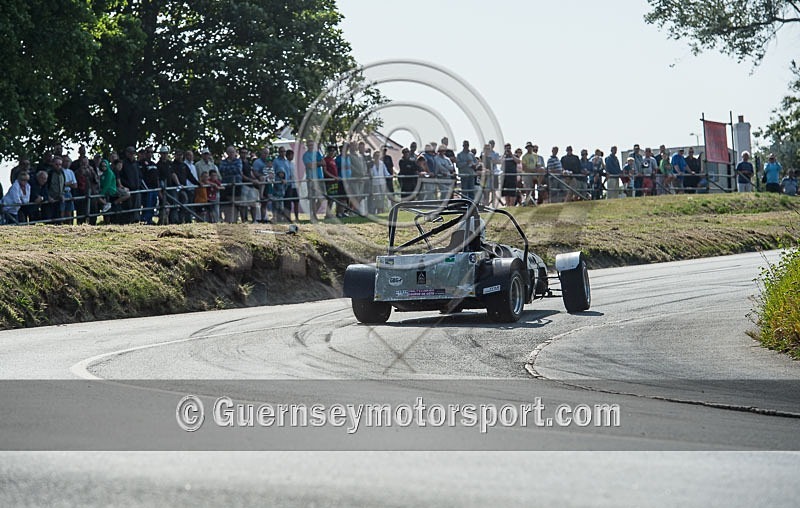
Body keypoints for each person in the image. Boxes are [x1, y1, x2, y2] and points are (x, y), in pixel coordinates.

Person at [218, 146, 243, 222]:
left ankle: (235, 219)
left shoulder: (238, 161)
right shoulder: (223, 162)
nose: (231, 154)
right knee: (226, 203)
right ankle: (227, 219)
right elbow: (221, 169)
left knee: (236, 203)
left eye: (233, 152)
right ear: (227, 153)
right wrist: (232, 169)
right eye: (229, 152)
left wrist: (228, 169)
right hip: (226, 185)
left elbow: (238, 169)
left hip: (237, 184)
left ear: (235, 152)